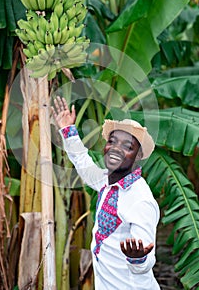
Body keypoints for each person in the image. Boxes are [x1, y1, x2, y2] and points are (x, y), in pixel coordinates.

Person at [52, 96, 160, 290]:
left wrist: (138, 258)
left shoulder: (140, 200)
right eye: (113, 141)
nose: (116, 149)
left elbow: (146, 260)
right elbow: (84, 165)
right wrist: (67, 129)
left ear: (138, 157)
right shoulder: (107, 182)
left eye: (127, 147)